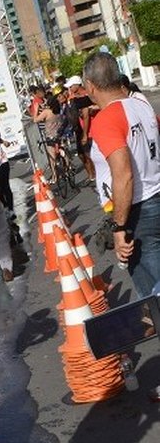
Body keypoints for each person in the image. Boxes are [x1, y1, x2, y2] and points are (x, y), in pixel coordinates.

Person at [84, 51, 160, 300]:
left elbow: (124, 175)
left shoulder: (106, 119)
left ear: (90, 86)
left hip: (139, 210)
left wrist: (119, 227)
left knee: (154, 289)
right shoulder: (141, 104)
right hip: (155, 196)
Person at [65, 75, 98, 182]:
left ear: (77, 85)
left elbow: (86, 115)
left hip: (90, 131)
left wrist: (84, 134)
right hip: (79, 130)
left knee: (90, 154)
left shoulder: (86, 98)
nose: (69, 89)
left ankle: (96, 174)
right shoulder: (75, 98)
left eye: (71, 87)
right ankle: (91, 175)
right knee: (82, 154)